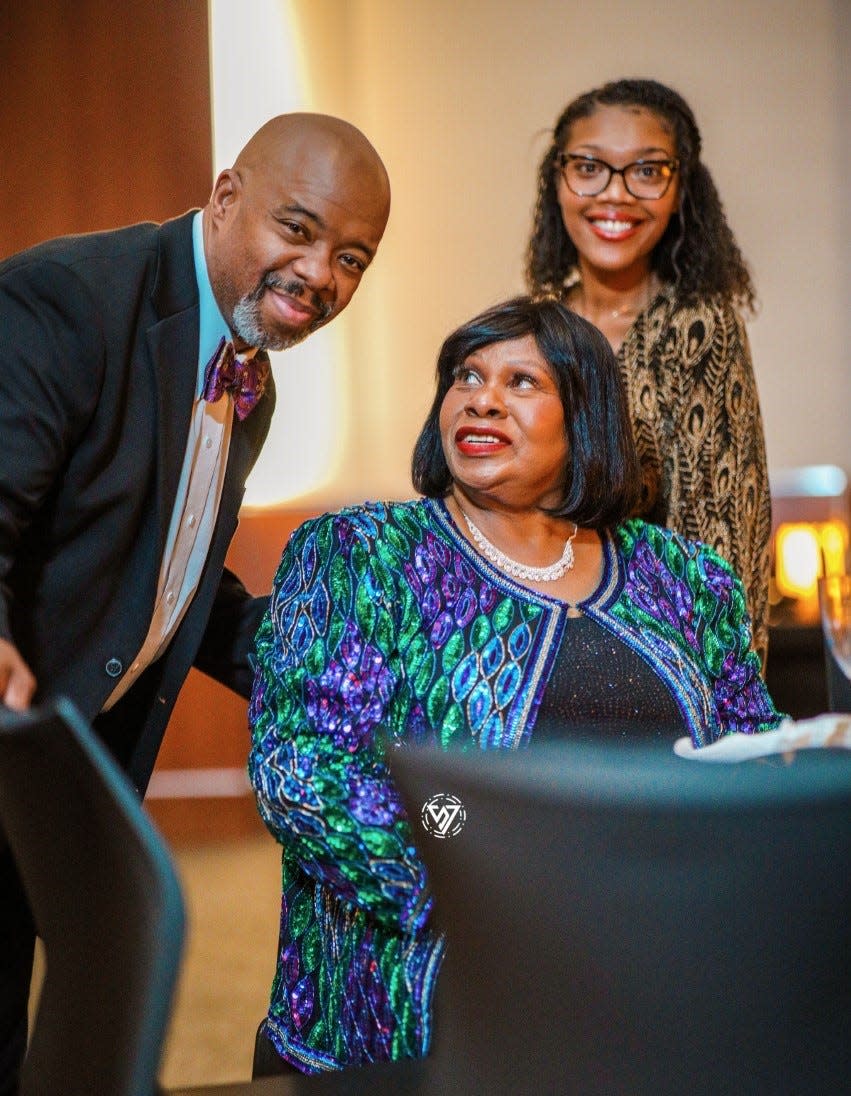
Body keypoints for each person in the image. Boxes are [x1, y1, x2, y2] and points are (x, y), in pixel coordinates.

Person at [248, 296, 781, 1075]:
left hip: (653, 958)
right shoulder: (365, 555)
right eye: (465, 376)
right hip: (434, 996)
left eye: (521, 381)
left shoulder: (684, 578)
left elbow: (750, 742)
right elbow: (305, 768)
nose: (481, 397)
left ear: (586, 417)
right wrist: (483, 851)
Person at [0, 112, 390, 1093]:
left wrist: (322, 675)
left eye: (351, 257)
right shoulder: (70, 297)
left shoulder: (249, 382)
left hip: (63, 768)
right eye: (295, 229)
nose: (321, 274)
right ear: (225, 198)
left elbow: (173, 577)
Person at [525, 78, 772, 667]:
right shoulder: (530, 331)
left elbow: (726, 541)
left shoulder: (699, 326)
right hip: (526, 654)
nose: (615, 195)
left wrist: (723, 714)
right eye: (589, 166)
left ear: (681, 186)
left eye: (647, 170)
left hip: (651, 667)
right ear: (557, 179)